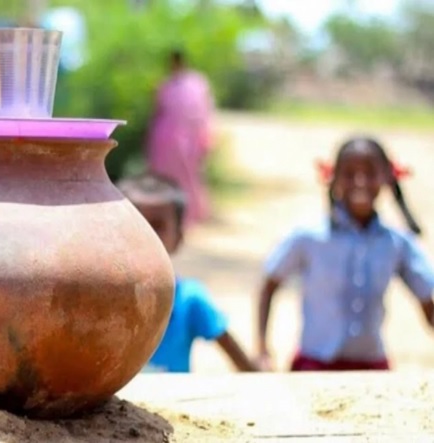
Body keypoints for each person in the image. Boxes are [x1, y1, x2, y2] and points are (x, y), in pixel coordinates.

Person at [255, 136, 434, 372]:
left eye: (370, 173)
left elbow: (427, 301)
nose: (360, 182)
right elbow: (269, 286)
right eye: (349, 174)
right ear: (333, 178)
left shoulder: (397, 244)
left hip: (372, 369)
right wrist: (262, 350)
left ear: (387, 177)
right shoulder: (308, 238)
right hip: (313, 366)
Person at [117, 172, 257, 373]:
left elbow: (243, 364)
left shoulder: (189, 299)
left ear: (179, 238)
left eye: (157, 226)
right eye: (137, 224)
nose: (146, 235)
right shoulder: (103, 303)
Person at [146, 49, 214, 229]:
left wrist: (205, 138)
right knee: (165, 179)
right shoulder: (166, 85)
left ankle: (188, 215)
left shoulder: (197, 84)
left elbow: (205, 114)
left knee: (188, 178)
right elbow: (158, 111)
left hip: (188, 141)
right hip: (167, 140)